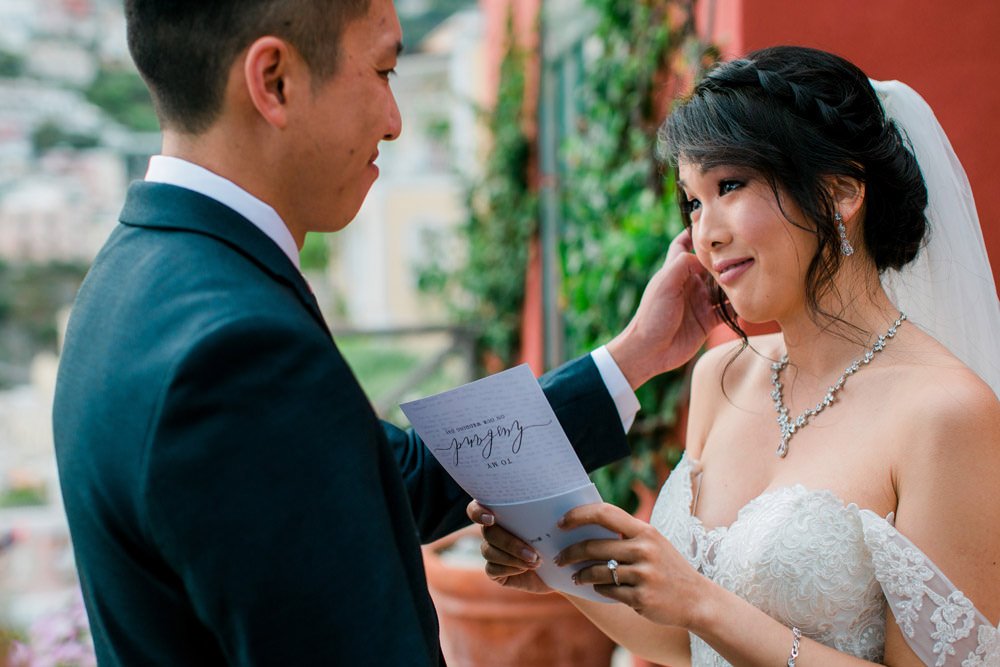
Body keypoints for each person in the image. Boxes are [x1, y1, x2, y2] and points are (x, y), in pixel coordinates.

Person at [50, 1, 718, 665]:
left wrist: (632, 357)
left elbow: (394, 477)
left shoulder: (125, 280)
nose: (395, 124)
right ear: (274, 81)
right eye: (383, 71)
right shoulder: (237, 353)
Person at [471, 46, 1000, 666]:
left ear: (840, 192)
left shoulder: (946, 413)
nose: (706, 233)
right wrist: (564, 571)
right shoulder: (721, 376)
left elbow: (700, 613)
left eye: (729, 186)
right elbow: (685, 643)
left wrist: (699, 600)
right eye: (693, 202)